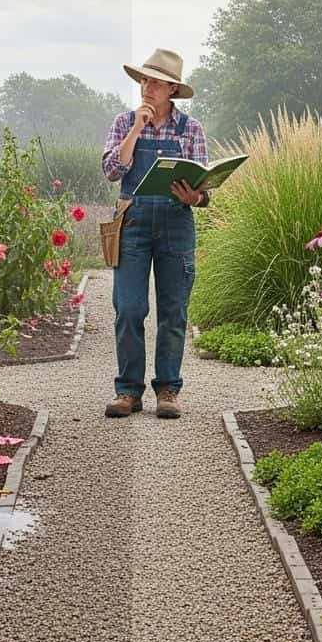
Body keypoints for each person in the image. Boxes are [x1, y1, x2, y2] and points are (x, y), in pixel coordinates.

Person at [101, 48, 210, 419]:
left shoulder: (191, 129)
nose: (146, 86)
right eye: (144, 79)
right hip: (132, 222)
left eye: (155, 81)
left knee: (174, 310)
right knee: (128, 307)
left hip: (176, 223)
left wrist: (195, 195)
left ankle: (168, 389)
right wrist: (136, 128)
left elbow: (203, 188)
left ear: (172, 89)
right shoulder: (122, 121)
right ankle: (128, 391)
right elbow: (113, 171)